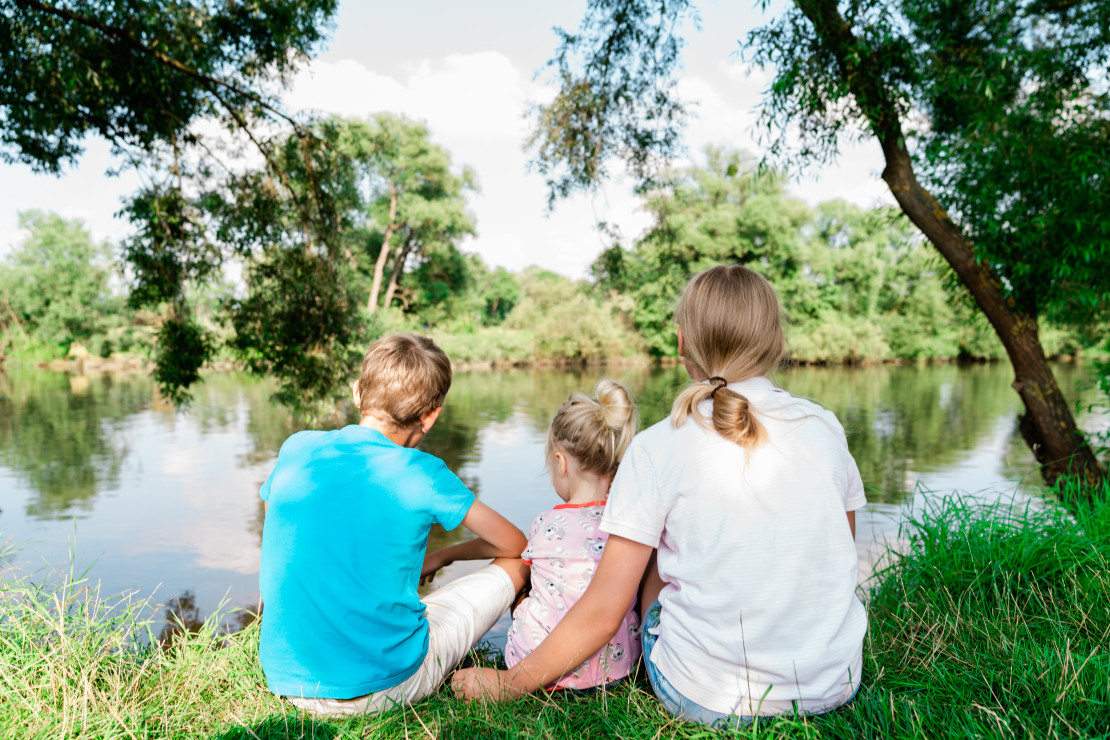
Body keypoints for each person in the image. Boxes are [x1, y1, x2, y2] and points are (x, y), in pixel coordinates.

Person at [452, 265, 868, 728]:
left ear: (682, 343)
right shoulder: (825, 427)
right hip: (835, 683)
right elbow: (840, 554)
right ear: (776, 341)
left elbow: (605, 611)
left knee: (647, 546)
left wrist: (510, 683)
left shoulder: (658, 445)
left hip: (709, 699)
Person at [258, 333, 528, 716]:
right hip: (385, 687)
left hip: (287, 679)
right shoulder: (424, 473)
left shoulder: (296, 447)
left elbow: (277, 524)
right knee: (519, 565)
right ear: (431, 416)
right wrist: (446, 555)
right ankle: (529, 659)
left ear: (357, 392)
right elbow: (515, 544)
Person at [504, 379, 641, 689]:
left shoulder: (544, 523)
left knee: (525, 587)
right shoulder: (629, 526)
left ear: (560, 463)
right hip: (616, 670)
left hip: (542, 671)